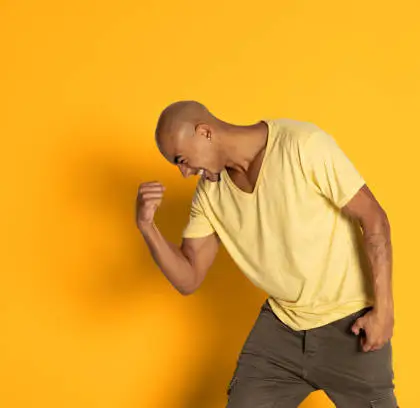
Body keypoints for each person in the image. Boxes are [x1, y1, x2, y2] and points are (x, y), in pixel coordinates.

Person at [136, 100, 398, 407]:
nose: (184, 172)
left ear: (204, 132)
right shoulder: (209, 194)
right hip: (281, 331)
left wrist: (384, 311)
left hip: (350, 324)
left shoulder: (301, 145)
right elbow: (188, 278)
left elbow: (374, 219)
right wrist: (147, 226)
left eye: (182, 159)